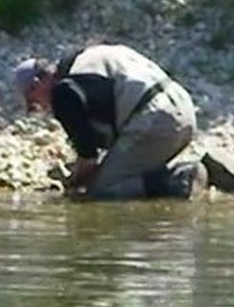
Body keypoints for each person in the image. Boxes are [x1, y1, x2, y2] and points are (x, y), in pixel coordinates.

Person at [13, 43, 204, 200]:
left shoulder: (63, 93)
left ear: (36, 86)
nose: (42, 109)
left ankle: (179, 179)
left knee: (102, 191)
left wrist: (75, 182)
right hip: (182, 106)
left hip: (154, 121)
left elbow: (88, 158)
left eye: (33, 104)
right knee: (122, 170)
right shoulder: (88, 56)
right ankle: (186, 174)